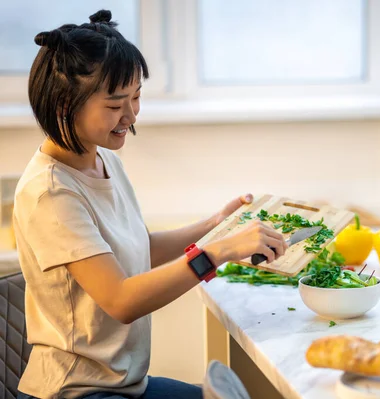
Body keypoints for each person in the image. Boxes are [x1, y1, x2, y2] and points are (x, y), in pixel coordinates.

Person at [13, 9, 288, 399]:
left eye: (136, 97)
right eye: (114, 105)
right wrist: (220, 251)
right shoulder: (50, 193)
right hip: (78, 393)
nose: (130, 115)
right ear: (64, 106)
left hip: (125, 384)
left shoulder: (104, 159)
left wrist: (217, 223)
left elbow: (140, 248)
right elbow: (122, 300)